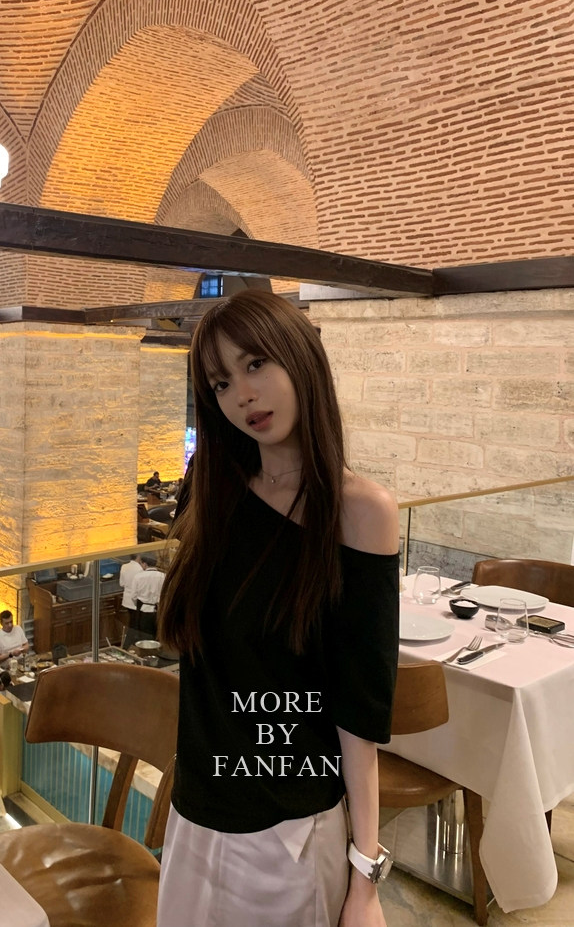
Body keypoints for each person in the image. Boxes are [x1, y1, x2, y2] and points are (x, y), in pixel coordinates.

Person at [156, 291, 399, 927]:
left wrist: (365, 877)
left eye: (256, 363)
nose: (242, 395)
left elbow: (359, 708)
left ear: (300, 358)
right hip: (194, 816)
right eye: (221, 382)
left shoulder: (359, 512)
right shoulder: (212, 491)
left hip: (289, 834)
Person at [131, 555, 164, 638]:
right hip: (159, 611)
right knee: (158, 635)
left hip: (144, 611)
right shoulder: (163, 576)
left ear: (145, 564)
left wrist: (138, 605)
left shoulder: (138, 576)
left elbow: (133, 596)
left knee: (145, 636)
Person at [119, 554, 144, 636]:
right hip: (136, 600)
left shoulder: (124, 566)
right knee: (136, 622)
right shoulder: (140, 569)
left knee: (131, 621)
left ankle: (130, 637)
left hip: (126, 600)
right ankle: (135, 638)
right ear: (139, 556)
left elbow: (121, 583)